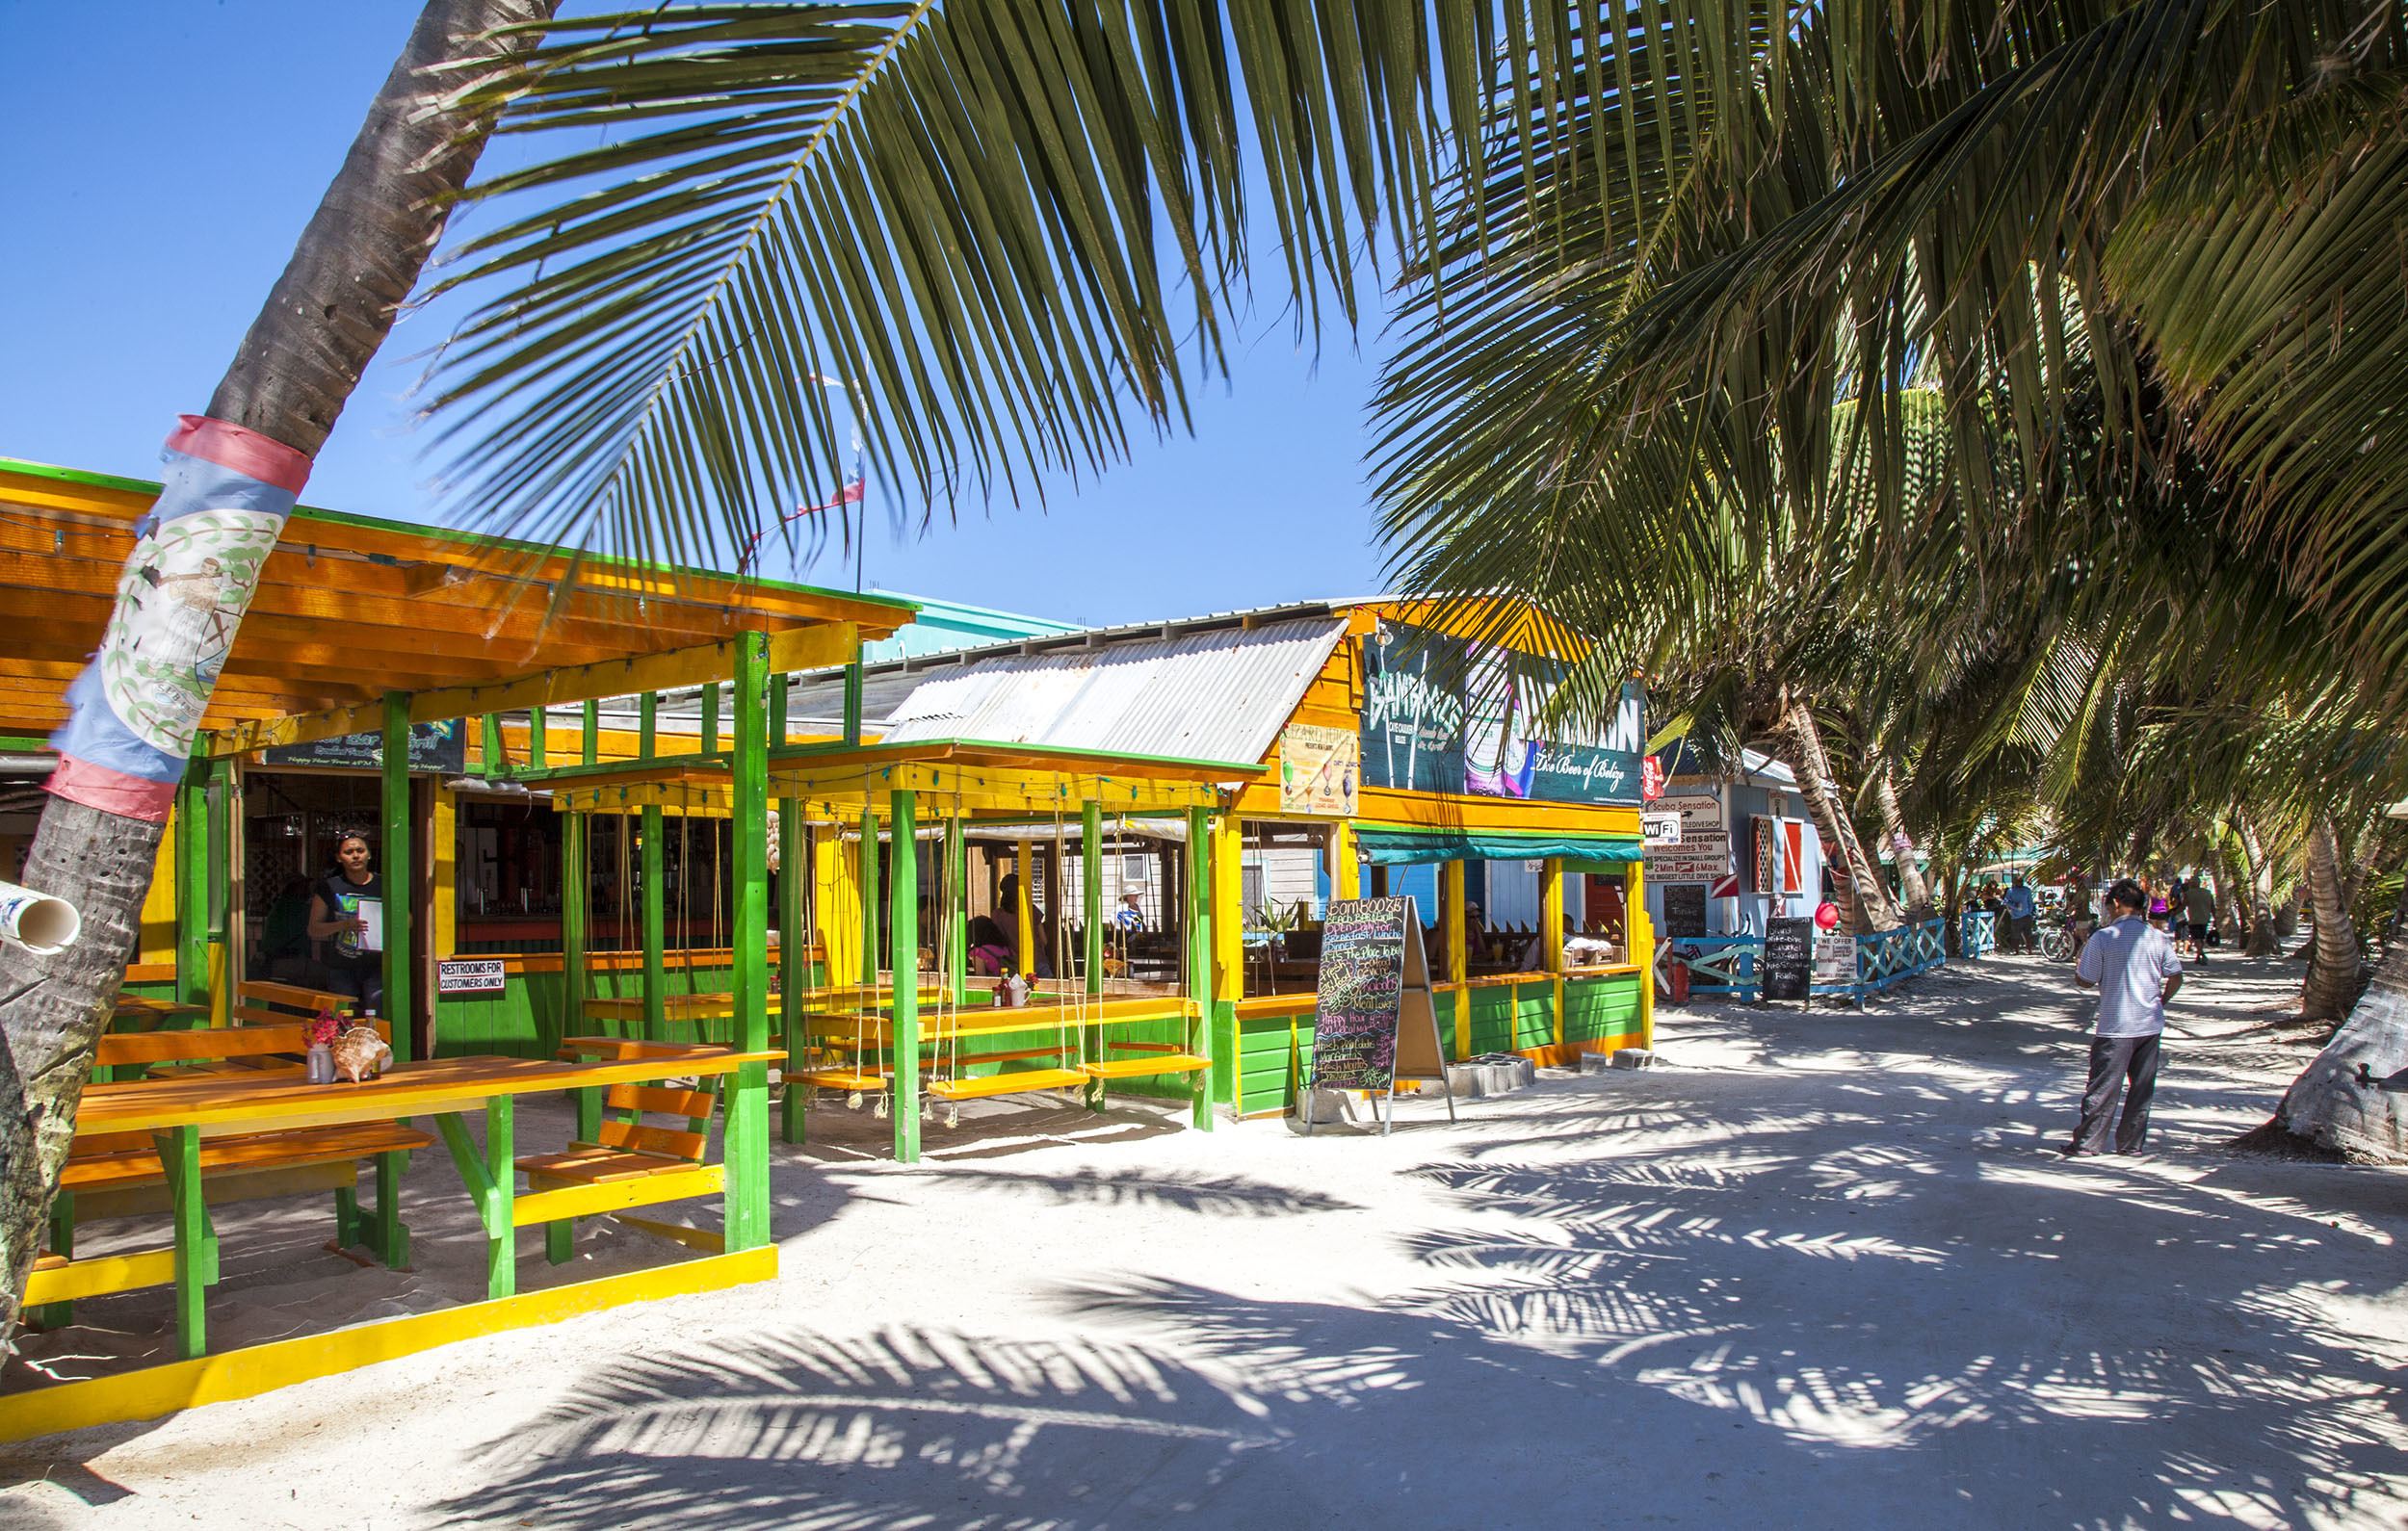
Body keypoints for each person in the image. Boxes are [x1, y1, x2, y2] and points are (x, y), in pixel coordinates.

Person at [2068, 878, 2184, 1155]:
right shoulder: (2156, 937)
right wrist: (2160, 1001)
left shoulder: (2104, 937)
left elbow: (2086, 980)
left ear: (2116, 904)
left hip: (2116, 1024)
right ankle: (2131, 1144)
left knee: (2103, 1087)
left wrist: (2078, 968)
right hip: (2149, 1024)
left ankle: (2088, 1143)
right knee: (2141, 1089)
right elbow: (2176, 976)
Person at [307, 829, 384, 1013]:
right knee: (343, 1020)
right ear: (339, 858)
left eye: (360, 850)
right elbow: (313, 929)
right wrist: (345, 924)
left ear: (369, 854)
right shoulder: (329, 887)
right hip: (342, 967)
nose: (356, 856)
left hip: (378, 966)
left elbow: (408, 921)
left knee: (378, 1018)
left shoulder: (385, 884)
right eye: (348, 852)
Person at [2002, 874, 2037, 955]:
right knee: (2015, 934)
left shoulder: (2027, 890)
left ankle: (2029, 950)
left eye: (2021, 881)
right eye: (2018, 882)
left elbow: (2030, 902)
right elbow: (2006, 901)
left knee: (2028, 934)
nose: (2020, 883)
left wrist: (2030, 912)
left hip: (2026, 915)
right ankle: (2016, 950)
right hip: (2015, 916)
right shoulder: (2011, 891)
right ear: (2014, 882)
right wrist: (2015, 905)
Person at [2184, 879, 2216, 965]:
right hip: (2205, 918)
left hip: (2194, 919)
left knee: (2196, 938)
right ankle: (2198, 956)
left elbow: (2183, 906)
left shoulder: (2188, 893)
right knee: (2201, 938)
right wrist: (2215, 918)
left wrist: (2173, 913)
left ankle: (2202, 954)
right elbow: (2212, 907)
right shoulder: (2207, 893)